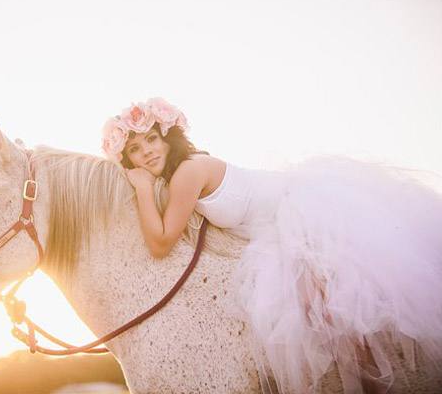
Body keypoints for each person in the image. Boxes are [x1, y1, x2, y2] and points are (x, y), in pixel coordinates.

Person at [101, 97, 442, 393]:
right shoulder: (180, 177)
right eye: (135, 149)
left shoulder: (189, 171)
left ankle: (379, 383)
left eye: (152, 139)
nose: (146, 151)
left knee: (327, 309)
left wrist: (143, 188)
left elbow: (161, 243)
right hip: (274, 229)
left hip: (301, 216)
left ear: (168, 138)